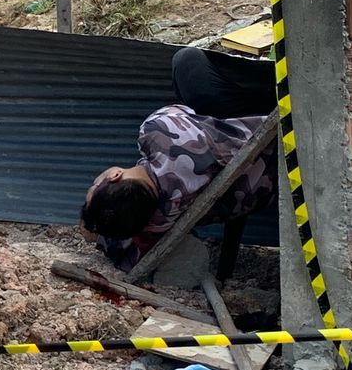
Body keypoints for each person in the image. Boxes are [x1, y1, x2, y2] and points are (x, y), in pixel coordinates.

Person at [81, 104, 276, 273]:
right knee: (185, 65)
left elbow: (123, 254)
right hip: (281, 140)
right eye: (94, 185)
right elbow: (180, 109)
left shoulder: (161, 220)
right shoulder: (157, 133)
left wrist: (94, 228)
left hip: (275, 191)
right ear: (114, 176)